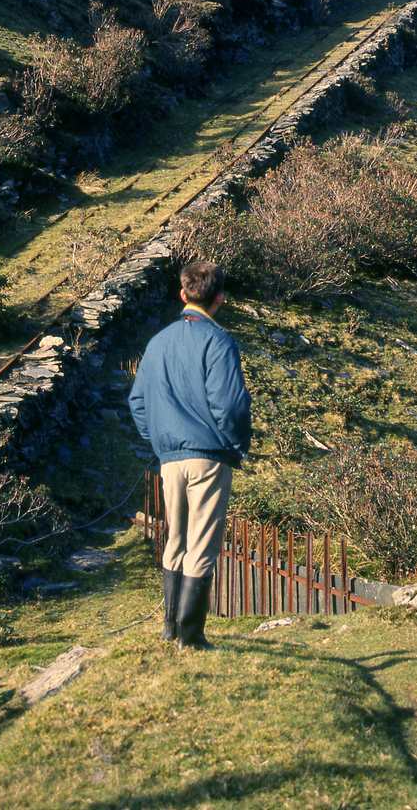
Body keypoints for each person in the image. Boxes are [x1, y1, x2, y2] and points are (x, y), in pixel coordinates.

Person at [128, 260, 251, 650]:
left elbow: (138, 402)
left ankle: (170, 628)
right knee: (202, 545)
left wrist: (159, 442)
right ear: (220, 299)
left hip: (170, 457)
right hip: (208, 455)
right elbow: (230, 407)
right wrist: (235, 446)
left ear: (183, 294)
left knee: (174, 540)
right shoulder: (219, 342)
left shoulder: (157, 342)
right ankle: (191, 635)